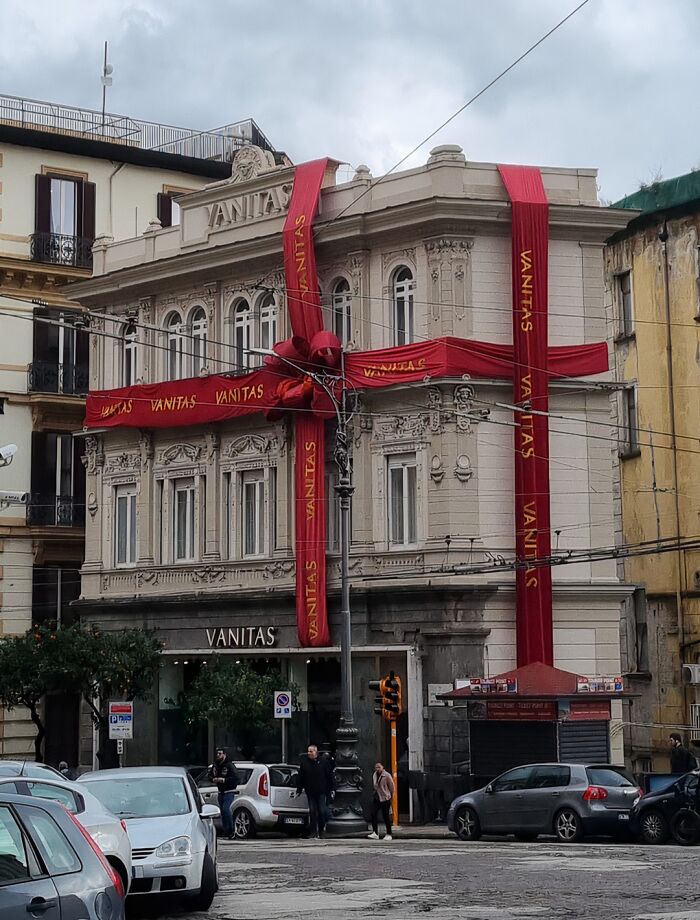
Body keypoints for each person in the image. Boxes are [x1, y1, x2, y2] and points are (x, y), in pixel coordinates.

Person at [294, 744, 334, 838]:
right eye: (308, 751)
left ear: (316, 752)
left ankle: (321, 831)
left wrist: (332, 788)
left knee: (321, 810)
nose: (309, 753)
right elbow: (301, 777)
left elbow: (329, 776)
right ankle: (313, 831)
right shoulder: (305, 763)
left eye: (311, 751)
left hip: (321, 790)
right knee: (312, 811)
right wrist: (299, 789)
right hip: (310, 791)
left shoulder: (323, 762)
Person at [208, 747, 240, 839]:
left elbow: (236, 778)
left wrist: (224, 780)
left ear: (224, 754)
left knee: (226, 809)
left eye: (220, 753)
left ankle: (231, 831)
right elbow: (209, 775)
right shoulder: (216, 765)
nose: (218, 755)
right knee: (222, 812)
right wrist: (213, 779)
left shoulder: (229, 765)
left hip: (229, 791)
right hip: (220, 792)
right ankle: (226, 831)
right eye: (217, 754)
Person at [368, 761, 395, 841]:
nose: (377, 769)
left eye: (379, 767)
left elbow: (392, 787)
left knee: (386, 816)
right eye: (376, 767)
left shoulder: (386, 775)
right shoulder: (374, 775)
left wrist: (389, 796)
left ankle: (389, 833)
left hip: (385, 798)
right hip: (377, 798)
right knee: (373, 813)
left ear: (383, 767)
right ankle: (375, 832)